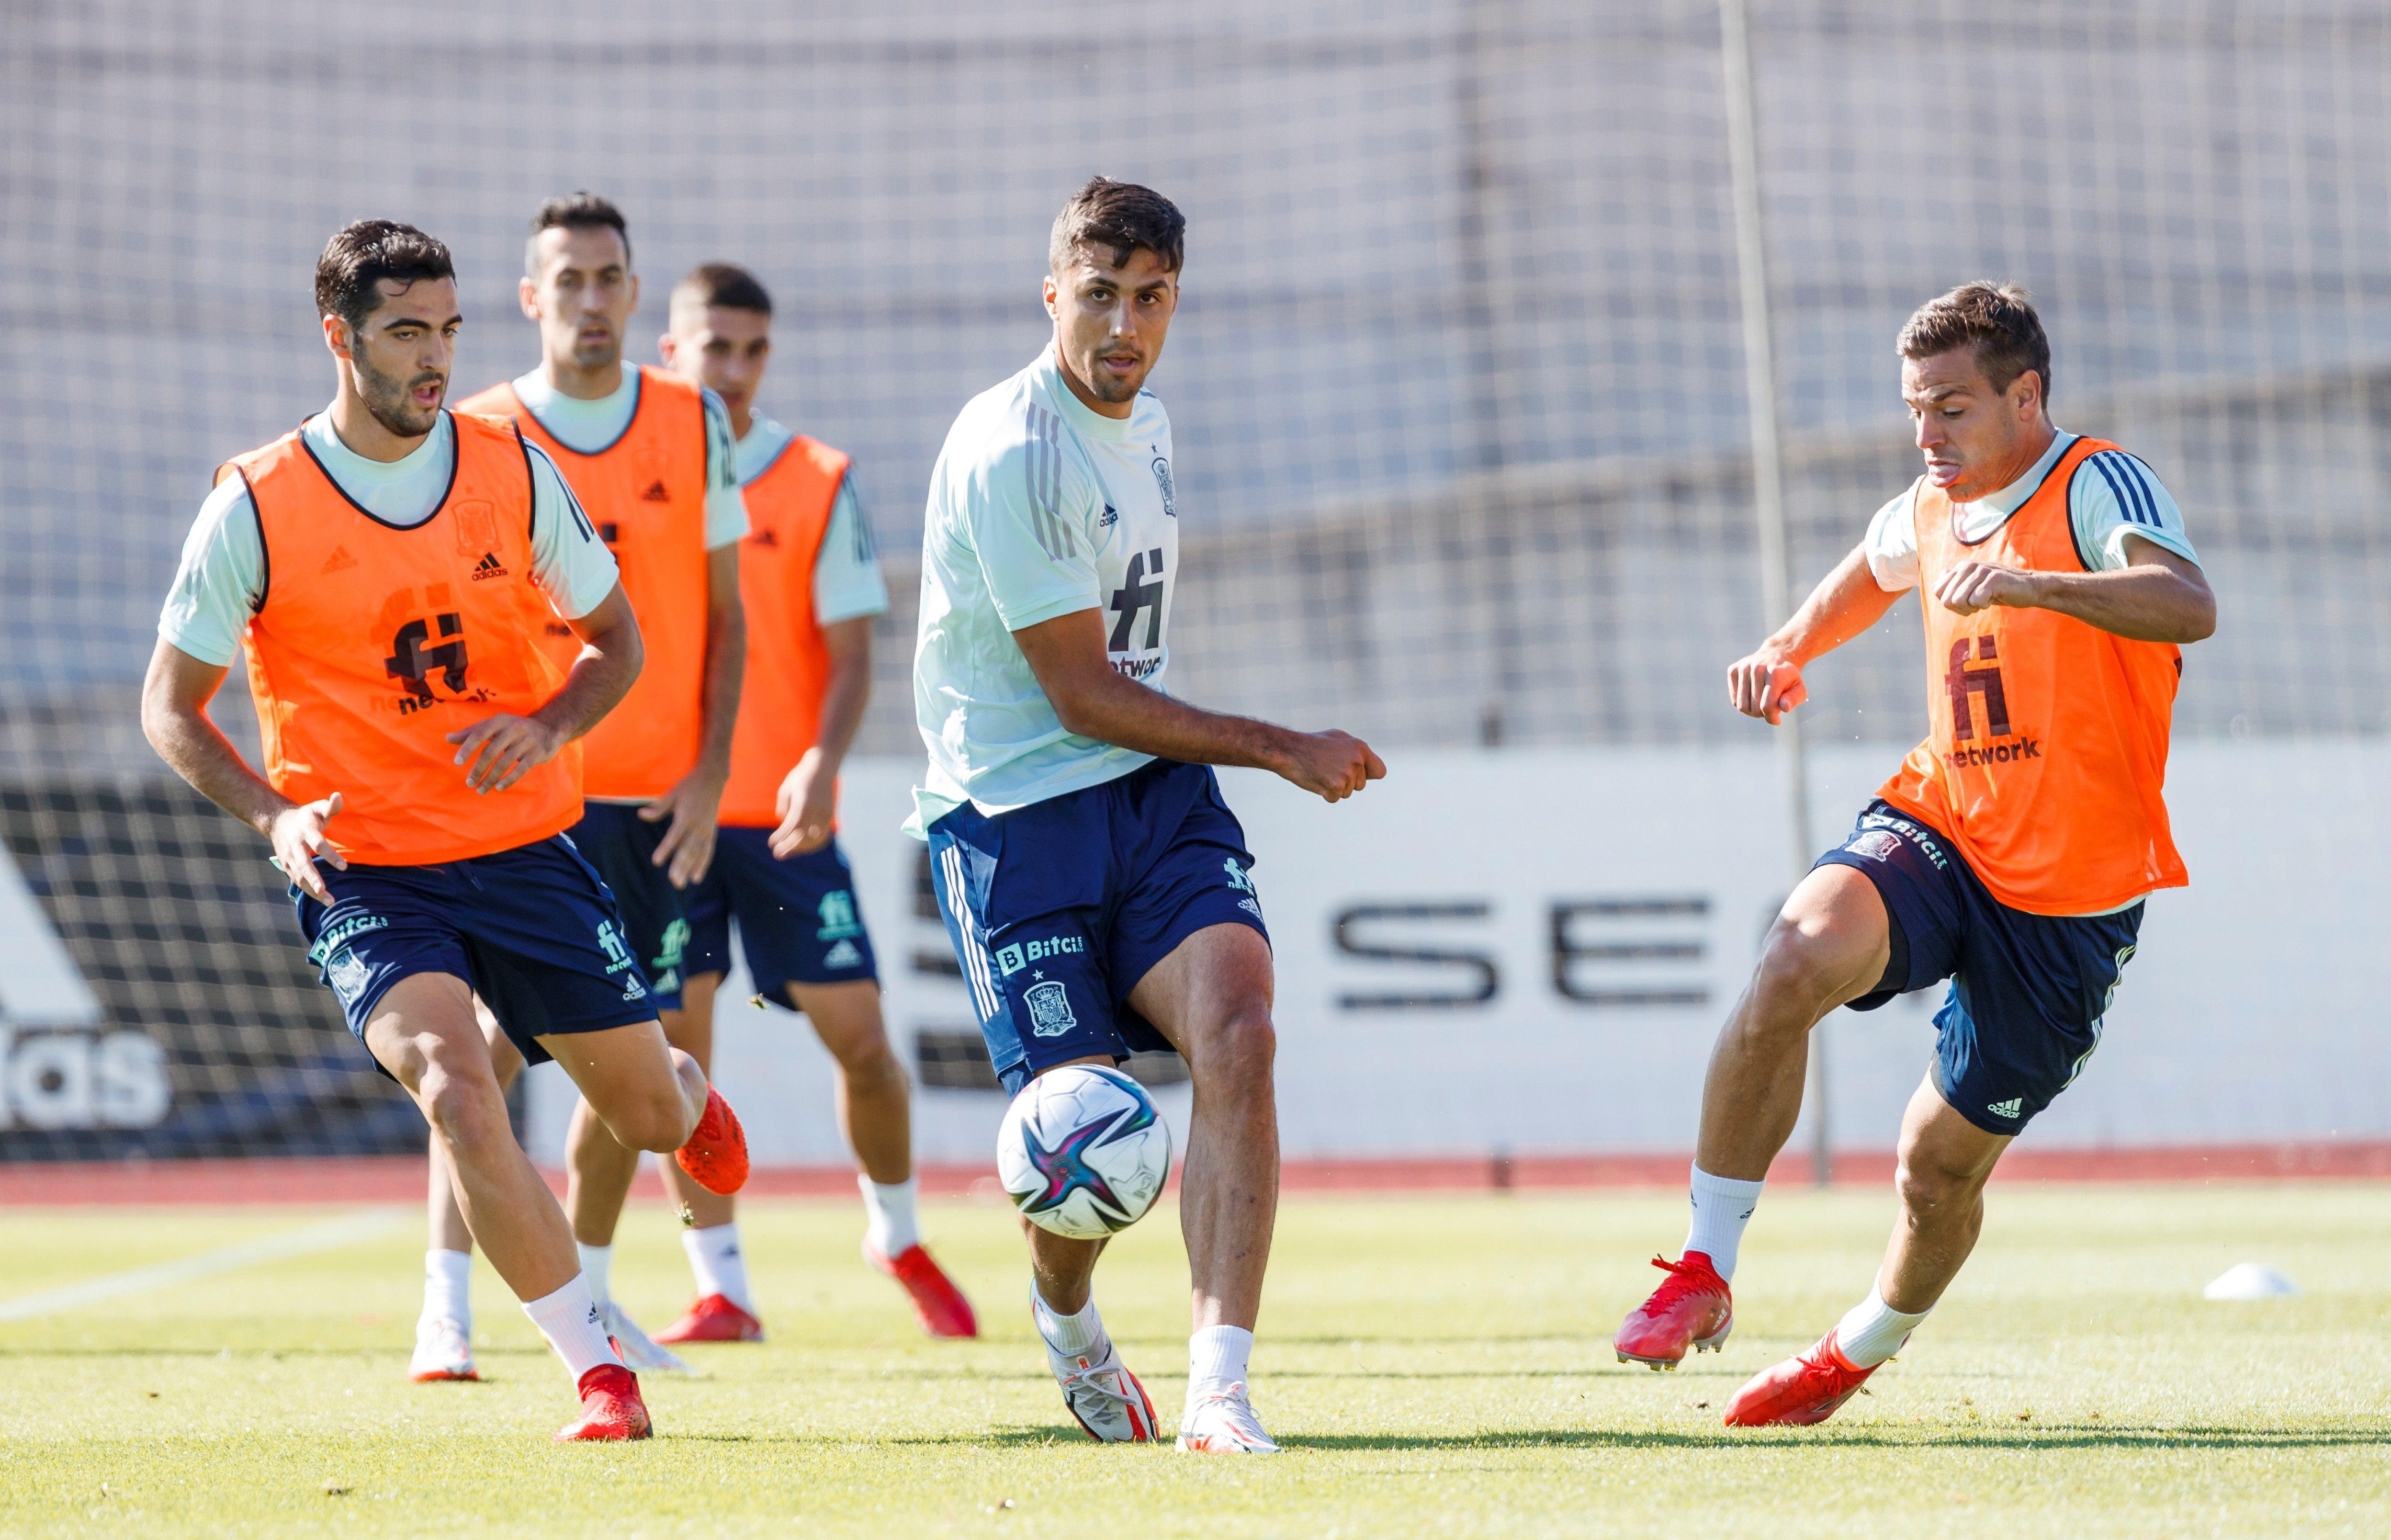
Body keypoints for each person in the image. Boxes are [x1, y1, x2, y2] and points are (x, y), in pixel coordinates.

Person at [141, 220, 748, 1442]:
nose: (434, 358)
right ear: (339, 337)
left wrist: (547, 721)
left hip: (525, 851)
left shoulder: (510, 469)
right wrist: (273, 811)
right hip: (368, 871)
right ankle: (596, 1370)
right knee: (455, 1084)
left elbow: (617, 643)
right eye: (406, 332)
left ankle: (683, 1088)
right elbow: (169, 707)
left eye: (447, 331)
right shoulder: (255, 503)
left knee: (647, 1120)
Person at [1610, 282, 2215, 1426]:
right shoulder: (1929, 500)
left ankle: (1854, 1349)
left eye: (1950, 408)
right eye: (1913, 411)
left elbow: (2188, 603)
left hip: (2073, 899)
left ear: (2023, 395)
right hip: (1944, 820)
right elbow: (1873, 567)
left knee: (1933, 1171)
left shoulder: (2095, 481)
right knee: (1791, 956)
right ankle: (1700, 1265)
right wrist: (1786, 645)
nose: (1926, 436)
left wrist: (2034, 584)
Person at [913, 178, 1385, 1454]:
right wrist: (1278, 745)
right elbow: (1076, 692)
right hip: (1015, 817)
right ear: (1052, 292)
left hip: (1149, 800)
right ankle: (1066, 1326)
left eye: (1152, 296)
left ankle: (1217, 1390)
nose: (1124, 324)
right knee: (1079, 1138)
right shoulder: (1012, 447)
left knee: (1239, 1027)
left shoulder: (1152, 419)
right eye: (1101, 294)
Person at [414, 192, 751, 1379]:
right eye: (570, 280)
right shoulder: (479, 428)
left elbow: (722, 612)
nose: (594, 300)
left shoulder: (690, 419)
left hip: (657, 801)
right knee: (482, 1054)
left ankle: (596, 1296)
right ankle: (443, 1307)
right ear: (530, 297)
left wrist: (711, 771)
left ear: (635, 292)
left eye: (612, 278)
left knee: (628, 1060)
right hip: (520, 806)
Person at [648, 262, 975, 1343]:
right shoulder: (628, 472)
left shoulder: (816, 476)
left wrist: (822, 762)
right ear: (672, 353)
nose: (734, 370)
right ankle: (722, 1284)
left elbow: (848, 655)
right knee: (683, 1063)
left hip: (782, 817)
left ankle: (895, 1228)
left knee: (864, 1041)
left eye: (751, 350)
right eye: (715, 348)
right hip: (667, 816)